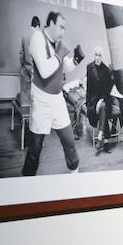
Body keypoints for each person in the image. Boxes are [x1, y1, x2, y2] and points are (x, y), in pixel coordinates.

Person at [23, 10, 82, 176]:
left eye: (65, 28)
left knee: (69, 141)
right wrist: (61, 53)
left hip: (57, 99)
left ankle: (76, 177)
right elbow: (44, 70)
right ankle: (26, 182)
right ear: (50, 24)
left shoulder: (57, 43)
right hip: (41, 99)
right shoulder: (37, 38)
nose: (63, 32)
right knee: (35, 148)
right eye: (61, 27)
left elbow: (65, 67)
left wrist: (76, 59)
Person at [85, 47, 115, 153]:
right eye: (96, 55)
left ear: (102, 57)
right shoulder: (89, 67)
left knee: (103, 107)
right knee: (103, 110)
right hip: (92, 101)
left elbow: (108, 90)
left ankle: (100, 137)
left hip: (104, 99)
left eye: (99, 55)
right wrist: (88, 102)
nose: (97, 57)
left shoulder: (106, 70)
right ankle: (106, 142)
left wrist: (101, 100)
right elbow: (88, 88)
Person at [19, 15, 40, 100]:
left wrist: (23, 64)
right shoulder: (38, 36)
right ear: (38, 25)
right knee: (35, 93)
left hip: (25, 67)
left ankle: (25, 111)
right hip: (34, 69)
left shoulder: (25, 35)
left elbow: (21, 53)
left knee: (25, 92)